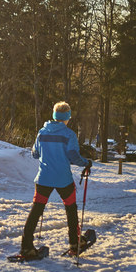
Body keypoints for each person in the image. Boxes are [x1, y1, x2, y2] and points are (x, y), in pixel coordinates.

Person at [20, 101, 93, 259]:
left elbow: (34, 153)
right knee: (71, 209)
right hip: (63, 180)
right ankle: (75, 243)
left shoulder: (42, 132)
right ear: (67, 117)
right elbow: (73, 156)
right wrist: (86, 163)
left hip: (43, 179)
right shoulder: (69, 134)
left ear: (54, 116)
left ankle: (26, 247)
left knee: (36, 211)